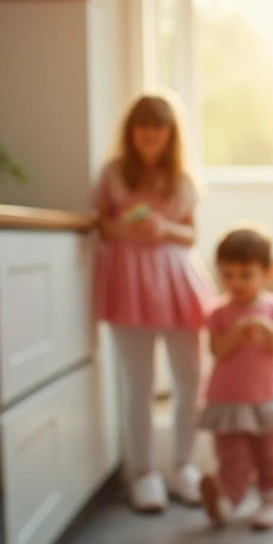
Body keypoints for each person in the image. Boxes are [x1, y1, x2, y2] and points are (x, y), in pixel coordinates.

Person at [94, 94, 215, 513]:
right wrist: (128, 228)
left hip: (178, 285)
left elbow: (191, 235)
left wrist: (162, 227)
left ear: (170, 133)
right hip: (129, 286)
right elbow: (102, 224)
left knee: (189, 379)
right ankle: (143, 473)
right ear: (131, 131)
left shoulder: (182, 180)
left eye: (157, 126)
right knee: (139, 385)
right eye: (142, 125)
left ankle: (185, 466)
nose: (149, 133)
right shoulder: (112, 175)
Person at [198, 225, 273, 531]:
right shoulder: (219, 312)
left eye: (245, 275)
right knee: (232, 455)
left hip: (265, 398)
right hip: (227, 400)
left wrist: (267, 329)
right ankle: (227, 498)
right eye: (228, 275)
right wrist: (234, 336)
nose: (236, 283)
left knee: (268, 453)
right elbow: (217, 351)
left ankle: (272, 499)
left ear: (267, 272)